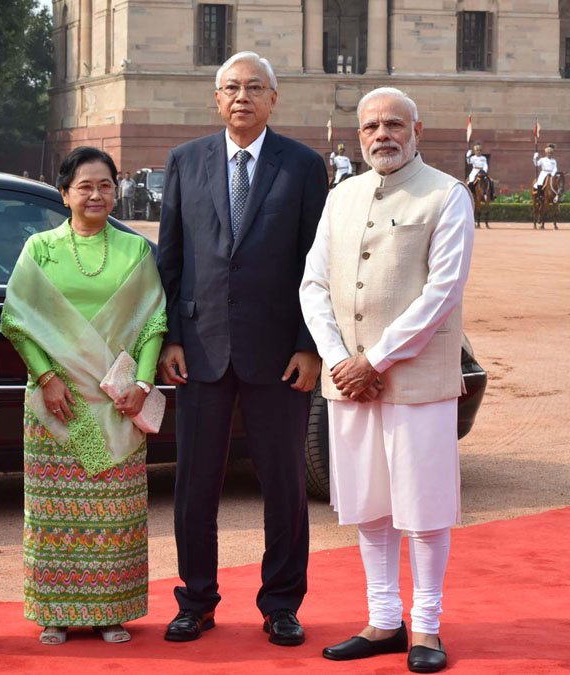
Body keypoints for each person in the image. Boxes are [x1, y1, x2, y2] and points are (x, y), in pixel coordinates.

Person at [156, 51, 328, 646]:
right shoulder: (185, 161)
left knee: (284, 486)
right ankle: (196, 600)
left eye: (255, 88)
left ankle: (281, 602)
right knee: (194, 485)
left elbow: (316, 264)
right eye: (231, 87)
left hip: (281, 355)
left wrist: (311, 347)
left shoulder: (303, 166)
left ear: (273, 99)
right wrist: (169, 338)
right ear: (216, 98)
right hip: (199, 352)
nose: (242, 97)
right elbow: (170, 258)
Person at [300, 87, 474, 673]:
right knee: (369, 507)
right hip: (349, 382)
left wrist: (373, 360)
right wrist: (339, 360)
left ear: (417, 129)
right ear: (359, 135)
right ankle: (383, 620)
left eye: (394, 124)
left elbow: (442, 292)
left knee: (422, 509)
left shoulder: (447, 195)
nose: (382, 134)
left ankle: (426, 627)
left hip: (415, 379)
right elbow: (314, 286)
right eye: (371, 125)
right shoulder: (340, 197)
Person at [0, 147, 167, 646]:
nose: (96, 195)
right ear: (65, 193)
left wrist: (141, 385)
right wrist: (46, 377)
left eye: (106, 186)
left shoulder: (135, 250)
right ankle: (55, 611)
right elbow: (16, 321)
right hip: (61, 405)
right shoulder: (41, 249)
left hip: (117, 404)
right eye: (85, 186)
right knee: (56, 515)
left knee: (112, 513)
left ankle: (109, 611)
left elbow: (154, 321)